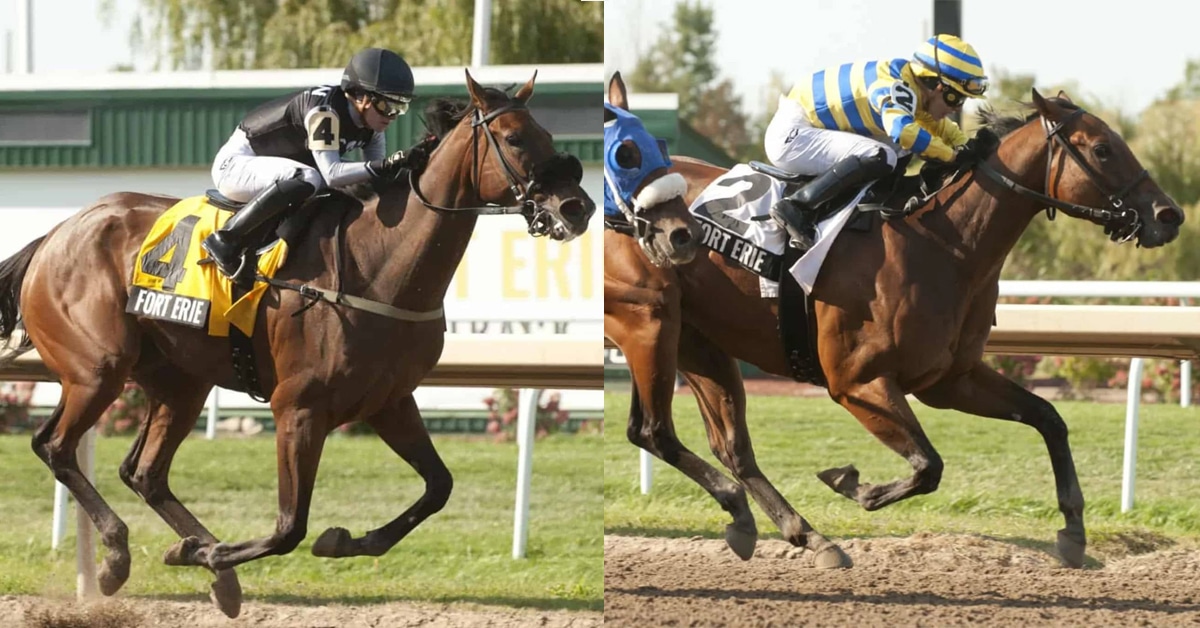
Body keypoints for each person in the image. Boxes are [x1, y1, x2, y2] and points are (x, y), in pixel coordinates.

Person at [203, 47, 429, 277]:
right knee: (310, 178)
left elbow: (377, 178)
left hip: (280, 170)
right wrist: (388, 165)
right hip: (236, 165)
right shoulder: (324, 112)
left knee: (336, 182)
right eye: (386, 106)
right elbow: (333, 174)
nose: (392, 116)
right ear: (361, 97)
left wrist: (410, 169)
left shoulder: (372, 128)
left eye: (400, 107)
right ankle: (225, 239)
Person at [764, 34, 989, 248]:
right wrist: (951, 156)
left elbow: (937, 127)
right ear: (938, 86)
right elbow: (904, 132)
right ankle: (797, 206)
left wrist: (967, 145)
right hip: (792, 135)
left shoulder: (912, 87)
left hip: (810, 127)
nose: (958, 108)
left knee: (899, 149)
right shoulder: (895, 85)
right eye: (957, 98)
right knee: (883, 154)